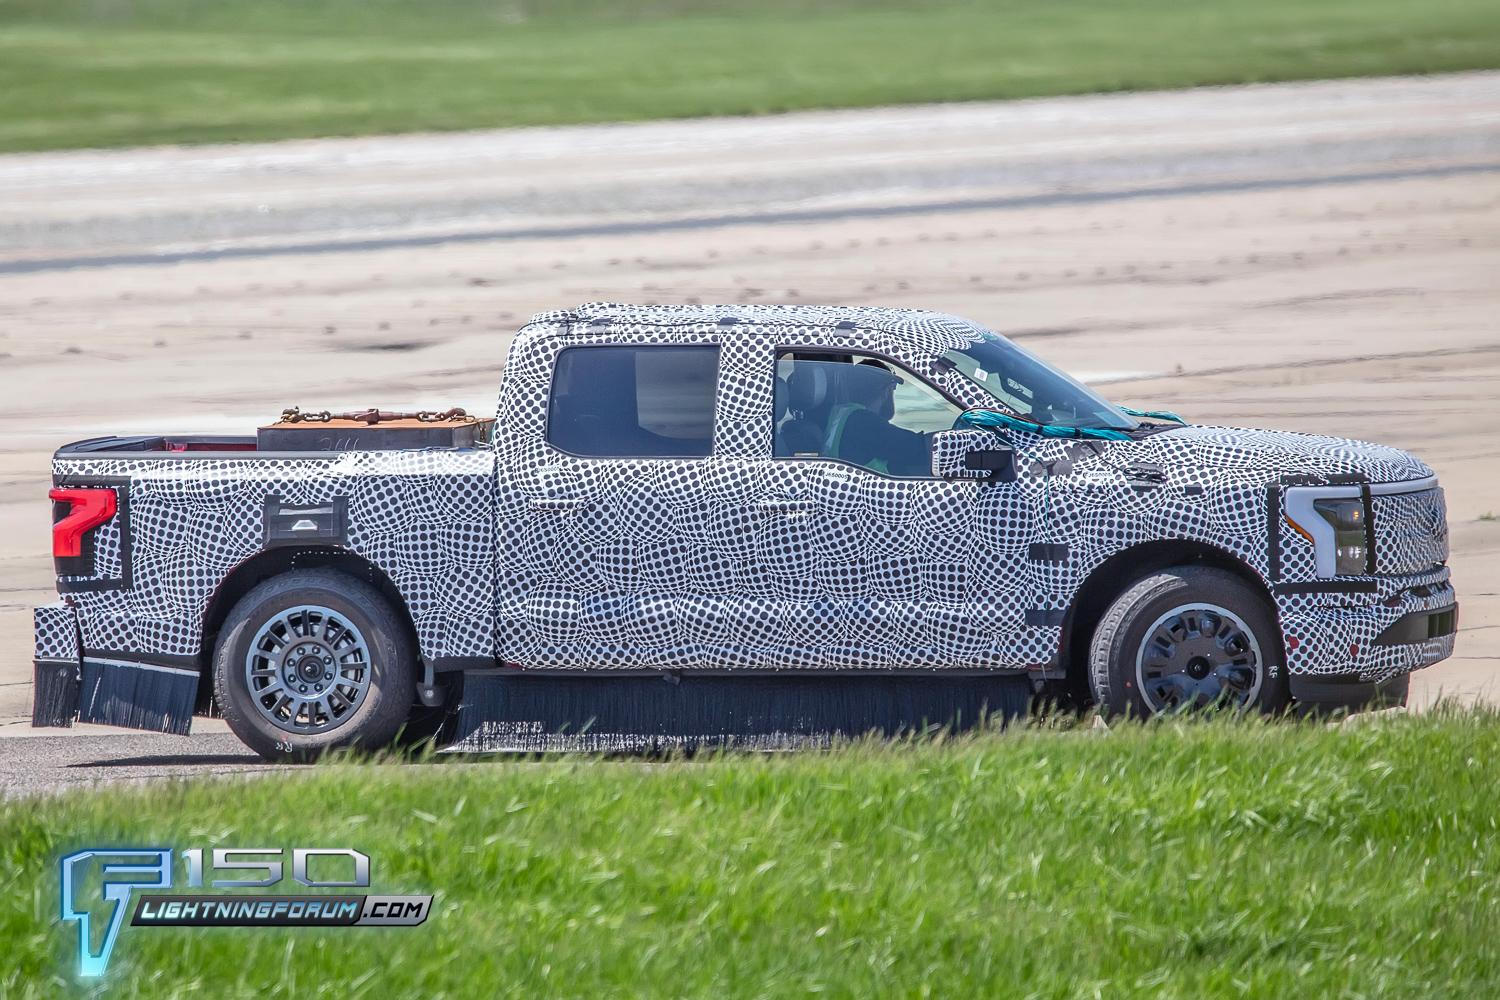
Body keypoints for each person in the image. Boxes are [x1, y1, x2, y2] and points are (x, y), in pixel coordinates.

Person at [822, 360, 930, 476]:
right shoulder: (865, 423)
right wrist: (950, 438)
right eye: (893, 388)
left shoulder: (840, 414)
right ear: (886, 391)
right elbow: (920, 448)